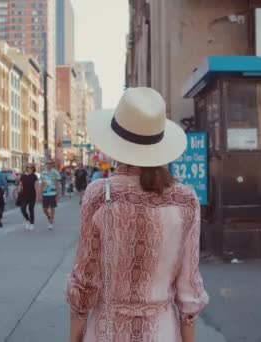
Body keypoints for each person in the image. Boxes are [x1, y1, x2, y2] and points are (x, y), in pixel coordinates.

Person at [66, 87, 208, 342]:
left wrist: (74, 337)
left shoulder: (99, 195)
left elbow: (84, 283)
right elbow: (189, 292)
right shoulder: (185, 200)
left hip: (106, 332)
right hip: (161, 332)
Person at [39, 160, 61, 230]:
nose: (49, 165)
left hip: (53, 193)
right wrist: (40, 194)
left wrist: (58, 194)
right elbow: (42, 183)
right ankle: (49, 217)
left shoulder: (55, 172)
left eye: (50, 163)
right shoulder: (43, 173)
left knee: (52, 208)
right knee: (44, 209)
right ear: (46, 164)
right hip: (45, 193)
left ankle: (51, 222)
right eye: (47, 163)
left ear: (52, 164)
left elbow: (57, 184)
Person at [17, 163, 39, 230]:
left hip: (32, 195)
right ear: (26, 168)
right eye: (28, 167)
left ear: (33, 169)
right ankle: (27, 220)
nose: (29, 169)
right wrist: (18, 190)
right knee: (22, 209)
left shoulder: (34, 176)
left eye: (31, 167)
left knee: (30, 209)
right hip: (24, 195)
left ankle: (32, 223)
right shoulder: (23, 176)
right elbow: (20, 184)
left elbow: (36, 187)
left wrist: (37, 196)